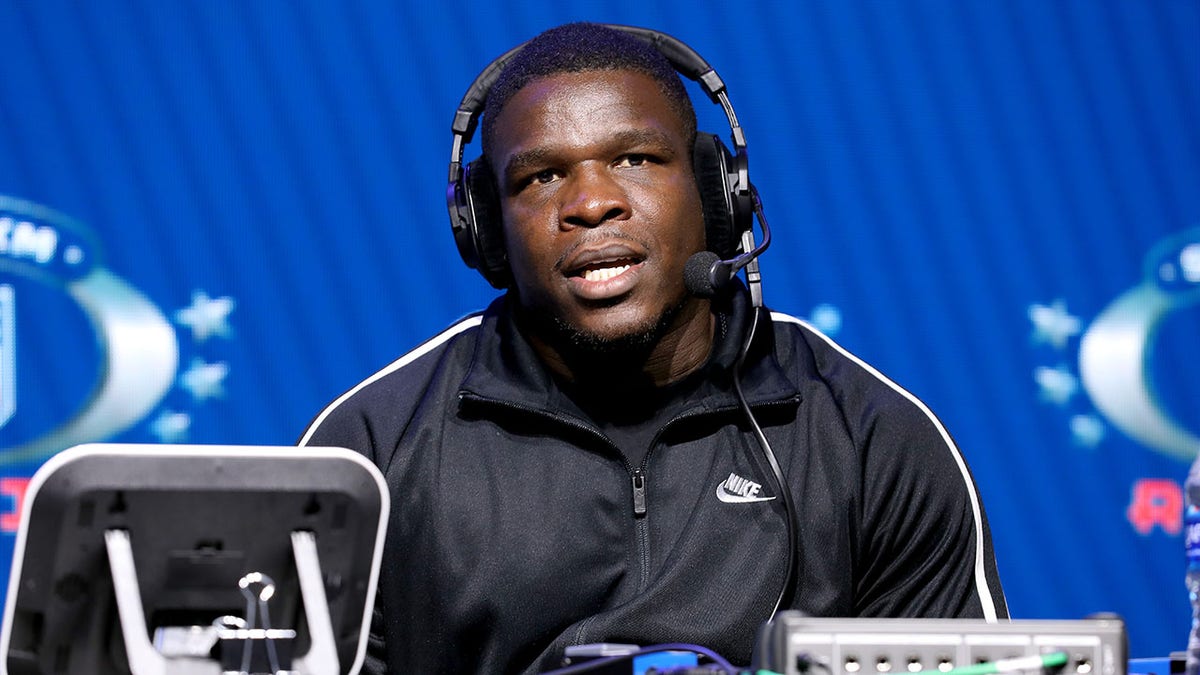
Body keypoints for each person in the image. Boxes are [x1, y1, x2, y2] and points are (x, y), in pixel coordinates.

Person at [299, 22, 1007, 674]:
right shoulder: (371, 452)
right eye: (542, 177)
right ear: (485, 230)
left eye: (635, 158)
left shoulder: (870, 438)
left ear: (715, 193)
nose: (591, 203)